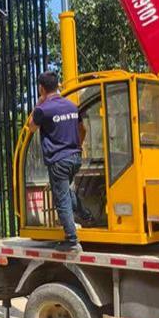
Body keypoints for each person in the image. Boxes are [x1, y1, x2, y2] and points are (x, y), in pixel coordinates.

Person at [28, 70, 93, 252]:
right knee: (65, 191)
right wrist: (77, 147)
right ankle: (85, 215)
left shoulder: (43, 110)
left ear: (41, 88)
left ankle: (71, 240)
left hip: (58, 160)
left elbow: (31, 127)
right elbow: (83, 129)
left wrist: (38, 103)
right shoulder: (72, 106)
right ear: (57, 85)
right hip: (75, 157)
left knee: (61, 198)